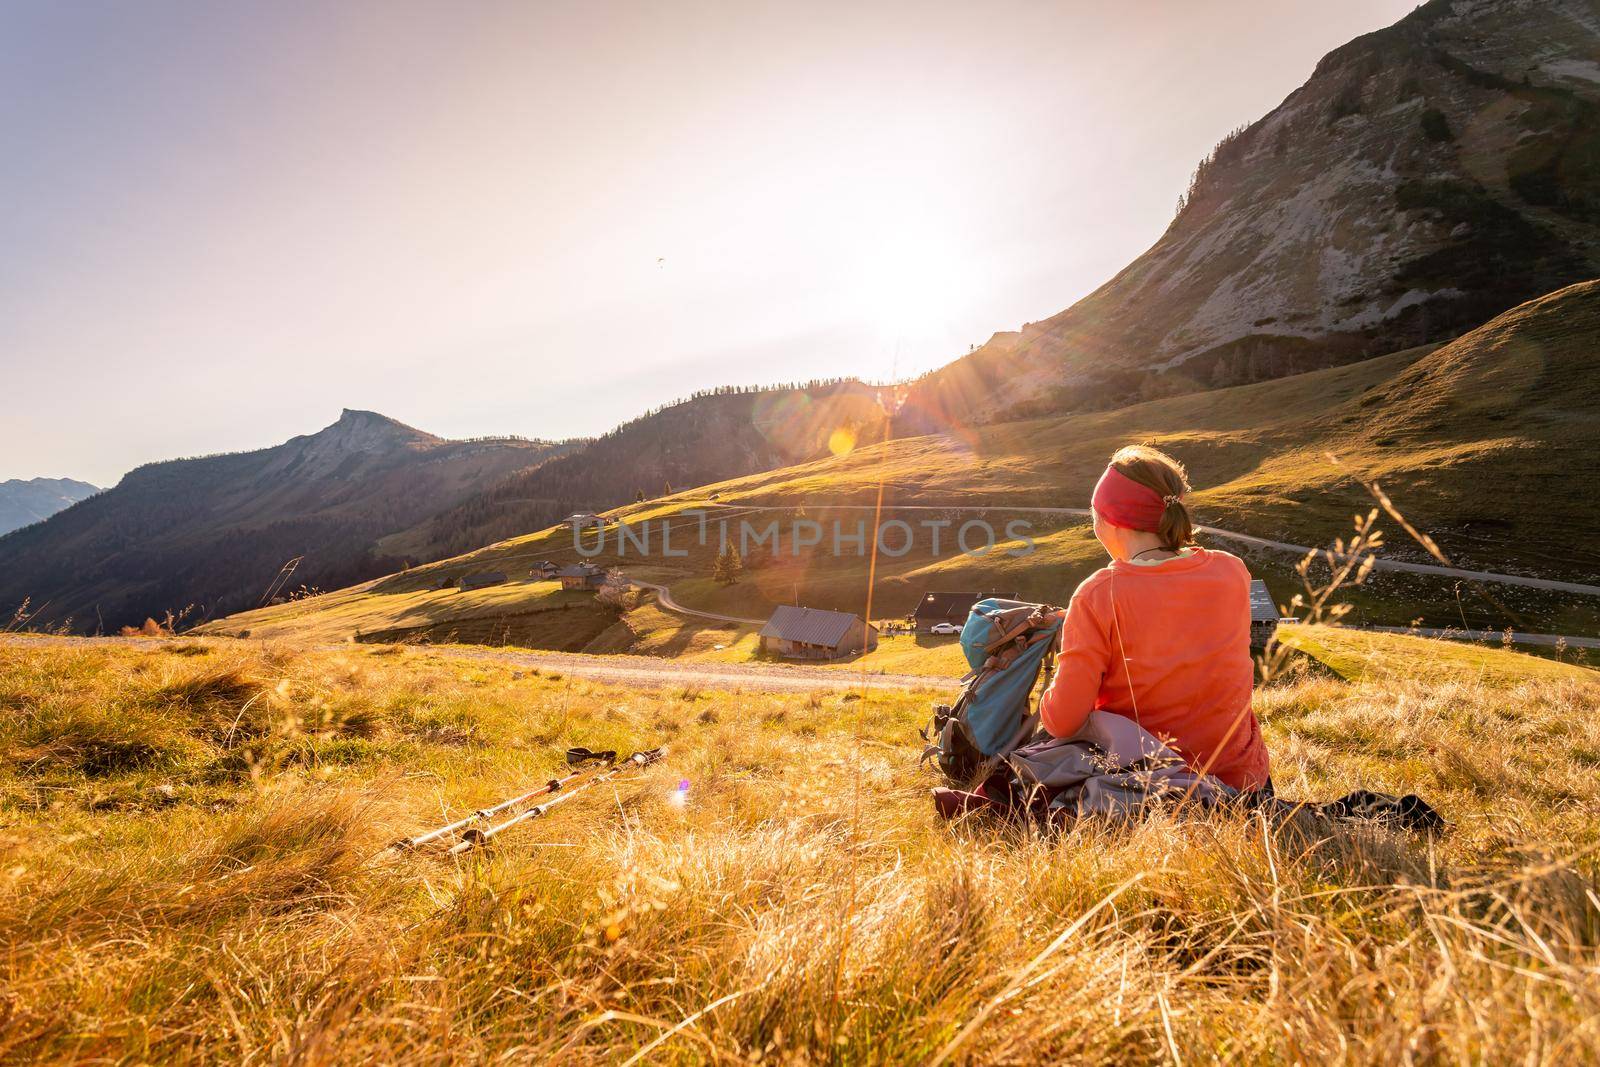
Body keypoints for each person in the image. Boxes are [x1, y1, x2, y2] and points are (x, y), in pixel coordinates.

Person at [1037, 445, 1270, 792]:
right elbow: (1173, 616)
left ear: (1108, 521)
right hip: (1244, 782)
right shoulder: (1231, 569)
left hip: (1153, 789)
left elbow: (1062, 721)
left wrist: (1062, 659)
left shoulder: (1098, 594)